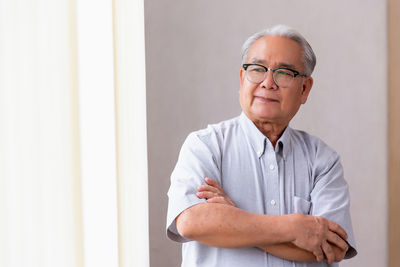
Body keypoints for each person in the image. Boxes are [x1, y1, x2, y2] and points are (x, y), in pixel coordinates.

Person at [166, 25, 357, 267]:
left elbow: (332, 247)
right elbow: (192, 223)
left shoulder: (322, 160)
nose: (268, 83)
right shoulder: (205, 145)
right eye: (257, 69)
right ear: (242, 78)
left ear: (305, 89)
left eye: (284, 73)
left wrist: (232, 219)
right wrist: (295, 227)